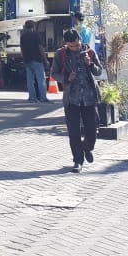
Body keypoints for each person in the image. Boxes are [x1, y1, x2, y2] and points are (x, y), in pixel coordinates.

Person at [50, 28, 103, 172]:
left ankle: (87, 147)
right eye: (71, 46)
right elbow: (53, 73)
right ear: (66, 44)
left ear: (80, 40)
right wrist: (67, 79)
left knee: (92, 130)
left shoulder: (90, 52)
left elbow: (99, 70)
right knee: (73, 132)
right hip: (71, 98)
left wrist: (90, 63)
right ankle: (78, 161)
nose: (74, 48)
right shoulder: (61, 54)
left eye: (76, 45)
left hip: (89, 97)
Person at [20, 20, 49, 103]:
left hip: (27, 60)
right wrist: (45, 60)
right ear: (33, 26)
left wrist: (24, 58)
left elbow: (22, 49)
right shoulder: (36, 35)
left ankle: (32, 98)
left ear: (25, 26)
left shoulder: (23, 36)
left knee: (30, 81)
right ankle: (43, 98)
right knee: (41, 80)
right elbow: (40, 48)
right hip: (37, 60)